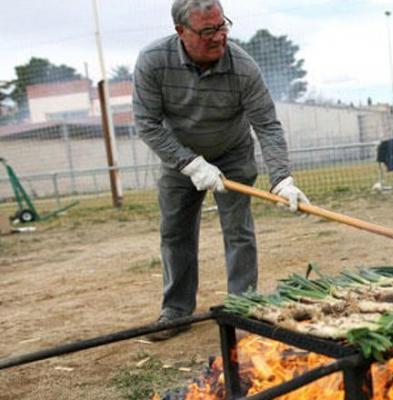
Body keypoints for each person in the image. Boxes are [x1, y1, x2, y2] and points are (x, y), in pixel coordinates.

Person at [133, 0, 309, 340]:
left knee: (238, 231)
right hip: (179, 160)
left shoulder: (242, 67)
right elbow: (148, 125)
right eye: (208, 31)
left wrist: (282, 179)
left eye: (223, 26)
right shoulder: (153, 62)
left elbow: (268, 126)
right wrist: (189, 163)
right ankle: (176, 311)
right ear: (181, 31)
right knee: (175, 232)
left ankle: (243, 308)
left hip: (232, 153)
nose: (219, 37)